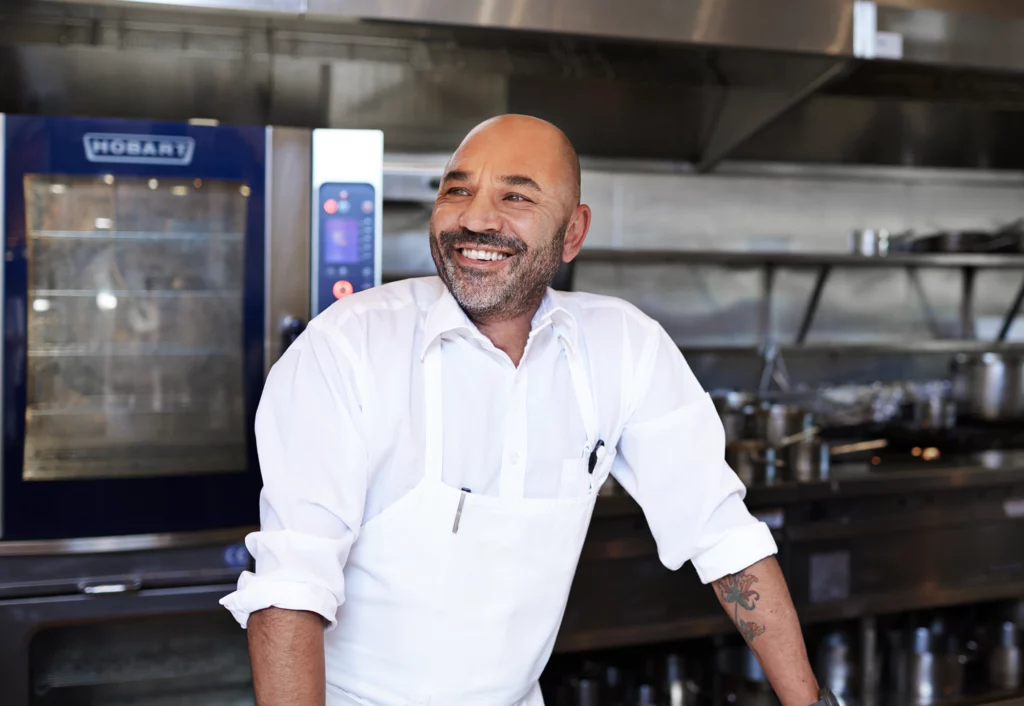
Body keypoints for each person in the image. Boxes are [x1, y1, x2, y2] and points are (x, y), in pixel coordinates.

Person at [221, 114, 833, 706]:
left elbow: (723, 536)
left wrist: (810, 702)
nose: (475, 217)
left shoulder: (622, 344)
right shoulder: (347, 348)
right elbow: (291, 589)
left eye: (516, 197)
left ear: (572, 233)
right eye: (457, 189)